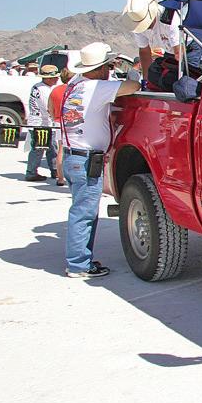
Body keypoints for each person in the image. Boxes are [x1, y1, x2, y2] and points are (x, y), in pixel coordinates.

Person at [59, 43, 139, 278]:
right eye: (108, 66)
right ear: (100, 68)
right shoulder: (97, 87)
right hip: (85, 159)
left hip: (74, 156)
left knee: (82, 211)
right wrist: (131, 72)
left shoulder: (75, 85)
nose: (109, 70)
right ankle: (78, 265)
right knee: (84, 214)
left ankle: (80, 260)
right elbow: (133, 86)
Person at [121, 0, 183, 82]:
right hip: (170, 51)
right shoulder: (137, 24)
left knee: (181, 82)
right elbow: (144, 52)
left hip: (187, 49)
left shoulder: (169, 17)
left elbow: (179, 52)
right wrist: (146, 81)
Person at [25, 64, 61, 182]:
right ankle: (31, 172)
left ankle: (54, 170)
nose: (57, 79)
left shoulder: (38, 87)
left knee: (51, 147)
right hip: (41, 122)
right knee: (39, 148)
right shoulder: (44, 90)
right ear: (49, 78)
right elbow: (48, 107)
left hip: (41, 122)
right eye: (55, 77)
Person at [48, 68, 74, 186]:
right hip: (72, 121)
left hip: (59, 121)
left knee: (60, 150)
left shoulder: (55, 90)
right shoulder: (74, 89)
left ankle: (60, 178)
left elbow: (50, 108)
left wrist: (55, 118)